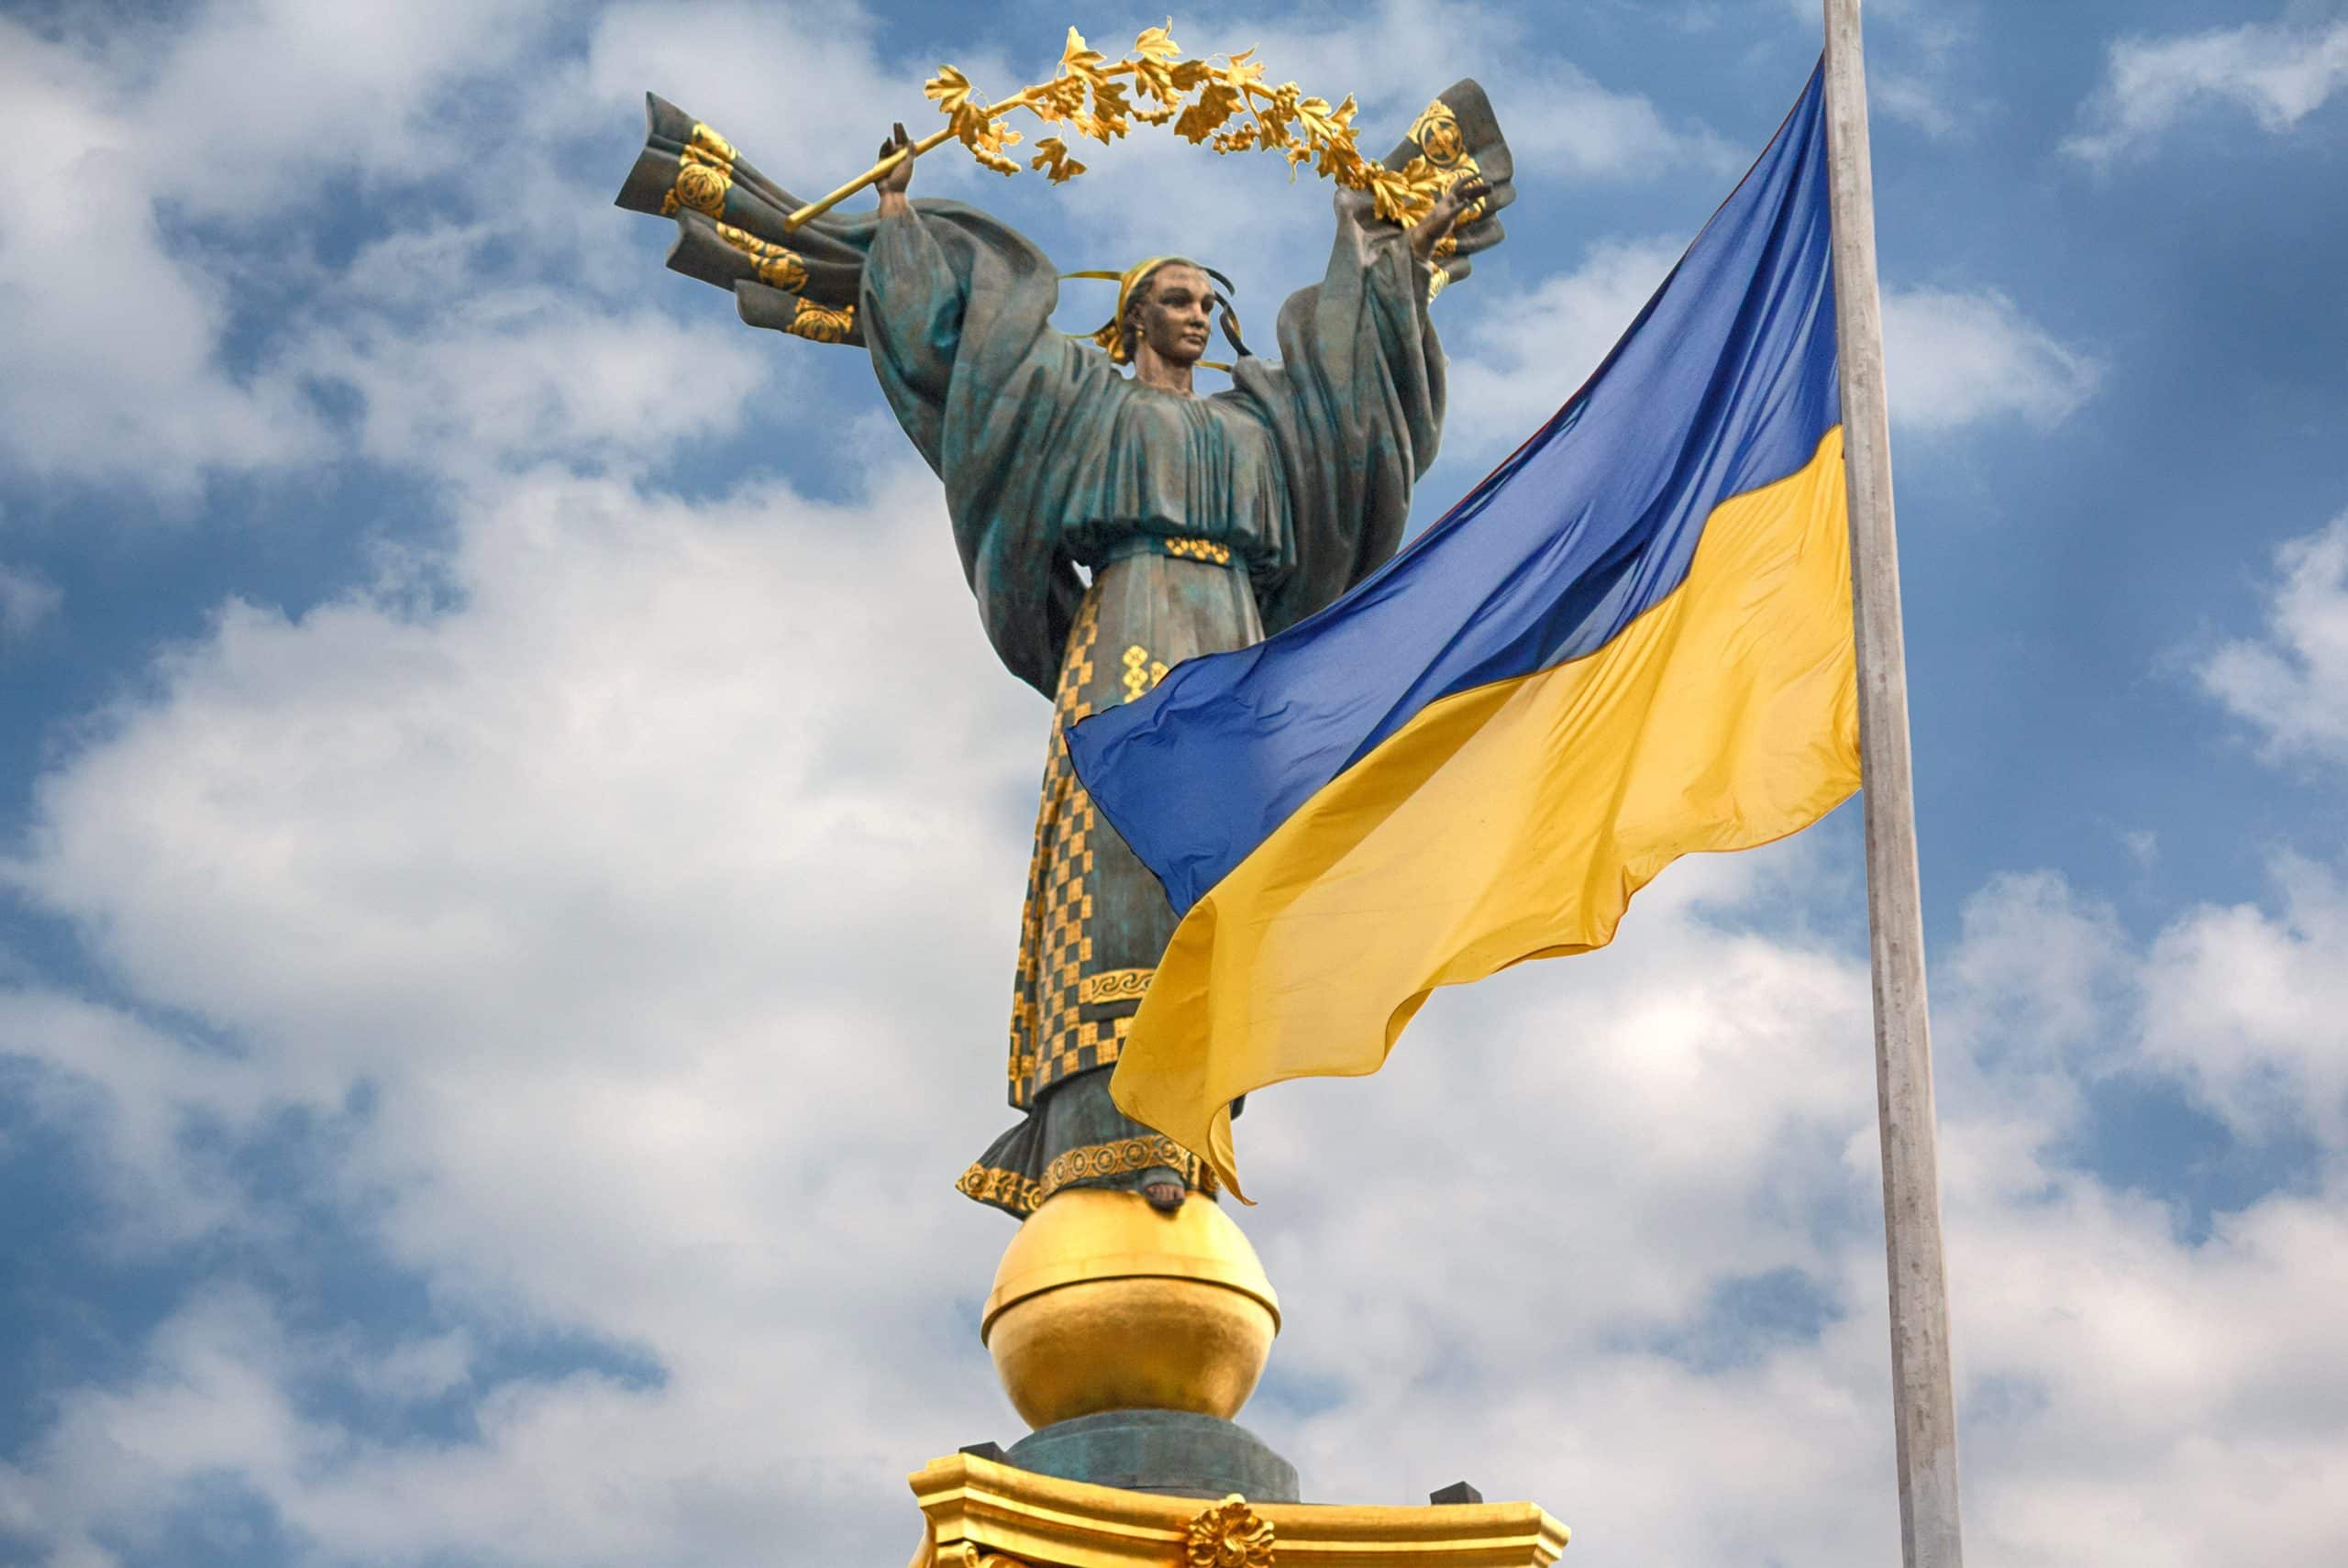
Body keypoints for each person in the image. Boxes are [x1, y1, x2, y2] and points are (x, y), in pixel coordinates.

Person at [615, 83, 1512, 1220]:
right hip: (1126, 632)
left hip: (1234, 651)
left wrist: (1381, 262)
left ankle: (1189, 1110)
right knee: (1121, 864)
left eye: (1206, 302)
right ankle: (1096, 1118)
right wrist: (899, 230)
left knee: (1219, 879)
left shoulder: (1260, 428)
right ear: (1135, 315)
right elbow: (978, 363)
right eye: (1176, 300)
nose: (1195, 315)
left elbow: (1356, 414)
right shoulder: (1082, 404)